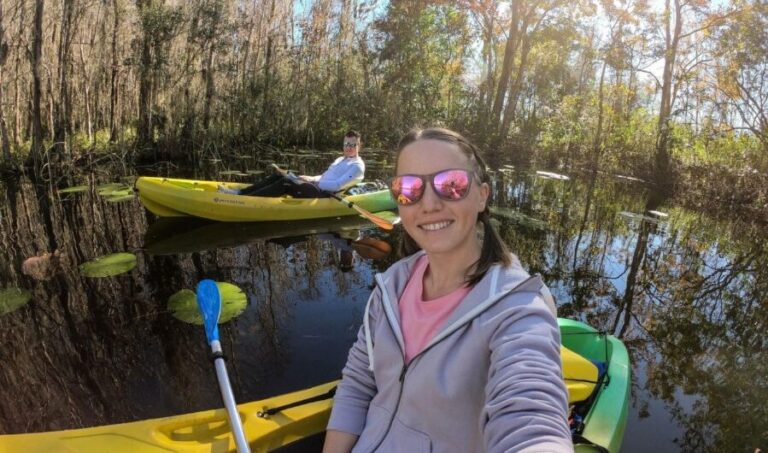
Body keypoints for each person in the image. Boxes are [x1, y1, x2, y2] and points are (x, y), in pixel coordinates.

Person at [323, 128, 572, 452]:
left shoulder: (518, 310)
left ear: (482, 195)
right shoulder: (391, 287)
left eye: (451, 185)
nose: (427, 203)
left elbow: (532, 420)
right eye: (409, 188)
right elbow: (358, 386)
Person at [219, 131, 365, 198]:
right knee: (279, 175)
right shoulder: (340, 159)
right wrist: (310, 177)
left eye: (352, 144)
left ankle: (244, 199)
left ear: (359, 145)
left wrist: (314, 182)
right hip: (317, 186)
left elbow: (338, 185)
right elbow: (326, 176)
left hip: (326, 194)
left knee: (286, 182)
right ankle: (241, 193)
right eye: (346, 143)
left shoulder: (357, 166)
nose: (348, 147)